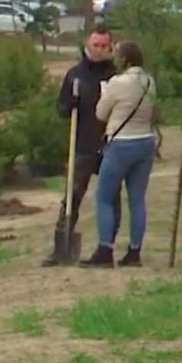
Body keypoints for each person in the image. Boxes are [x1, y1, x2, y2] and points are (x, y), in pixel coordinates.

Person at [47, 29, 121, 265]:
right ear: (87, 45)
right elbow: (61, 109)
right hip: (82, 145)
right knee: (73, 196)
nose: (98, 50)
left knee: (111, 198)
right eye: (95, 45)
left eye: (103, 46)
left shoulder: (116, 76)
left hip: (111, 145)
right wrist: (71, 103)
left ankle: (106, 248)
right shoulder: (75, 75)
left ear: (110, 47)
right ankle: (61, 247)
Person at [85, 40, 158, 268]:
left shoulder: (117, 82)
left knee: (104, 197)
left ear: (124, 60)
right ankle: (134, 251)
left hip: (121, 143)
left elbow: (100, 113)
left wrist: (106, 94)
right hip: (145, 142)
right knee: (137, 199)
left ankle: (105, 250)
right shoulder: (149, 81)